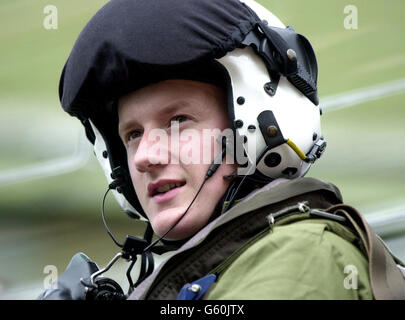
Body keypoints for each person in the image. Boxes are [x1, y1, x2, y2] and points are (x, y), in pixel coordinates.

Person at [39, 0, 405, 300]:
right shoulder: (218, 270)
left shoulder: (300, 256)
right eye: (132, 134)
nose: (144, 156)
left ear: (255, 128)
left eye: (178, 122)